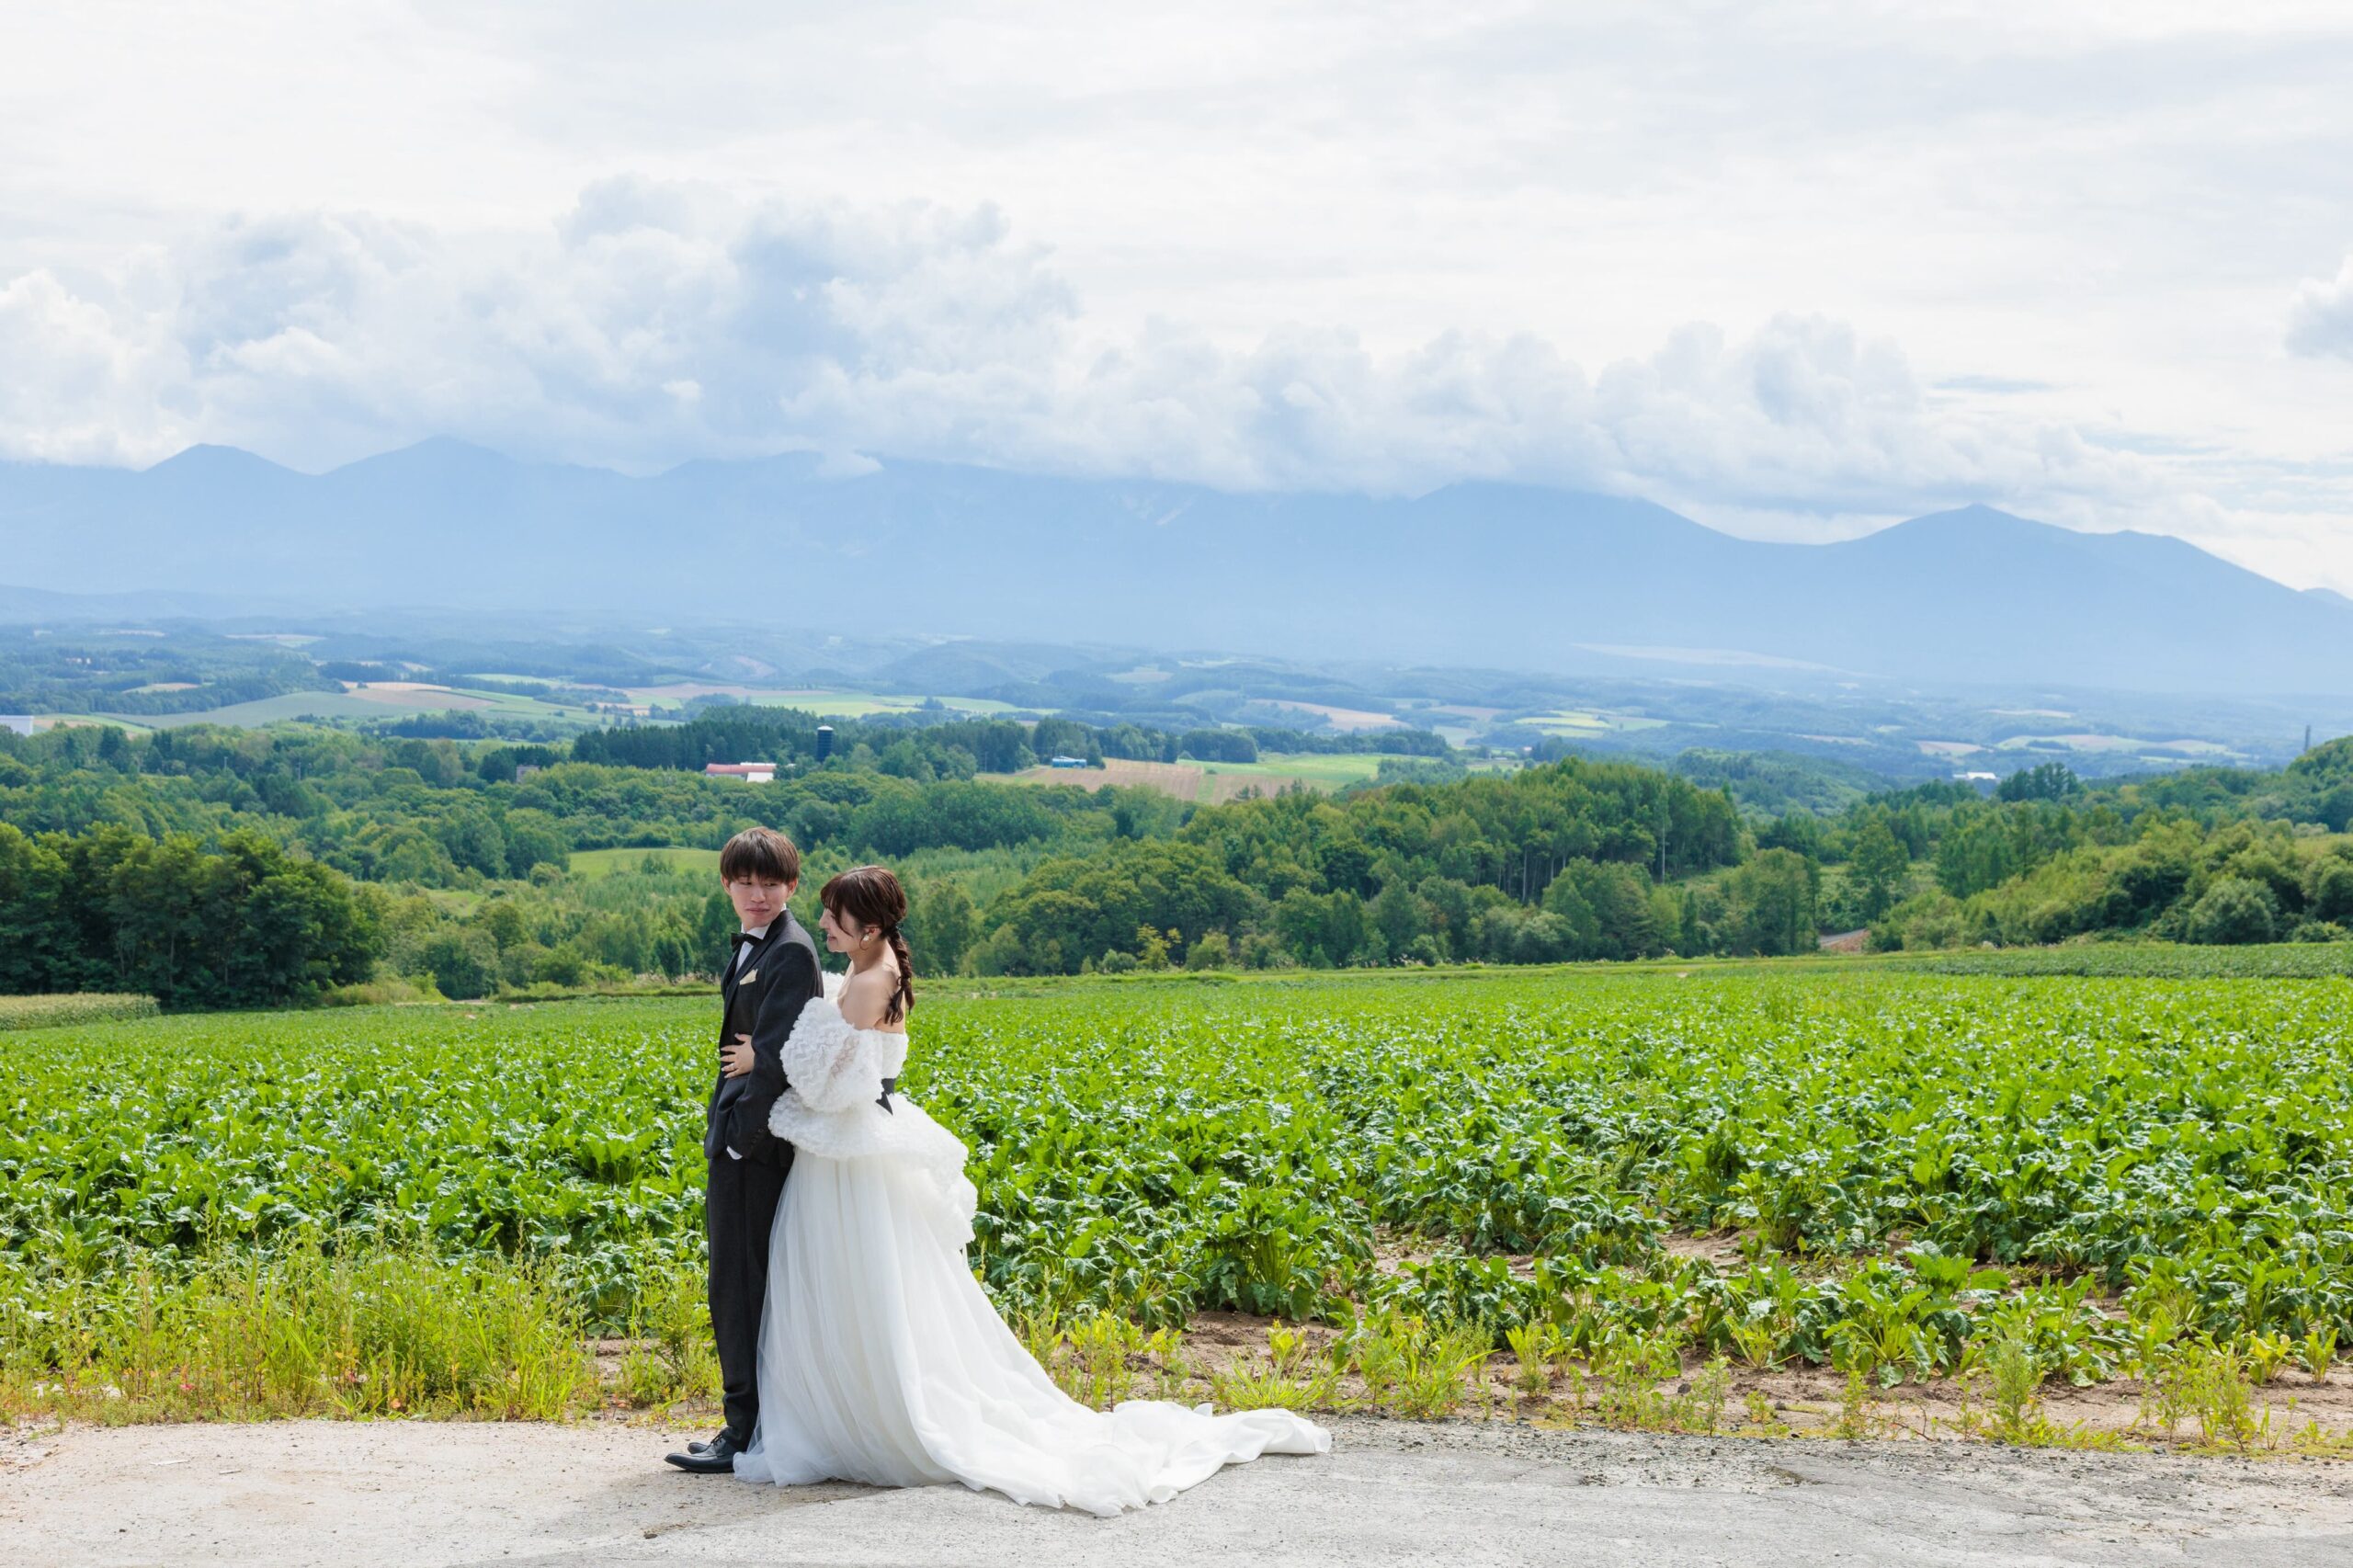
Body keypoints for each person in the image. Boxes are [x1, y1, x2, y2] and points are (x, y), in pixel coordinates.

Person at [729, 863, 1329, 1515]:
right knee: (871, 1288)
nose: (822, 922)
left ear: (867, 926)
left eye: (833, 913)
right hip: (855, 1150)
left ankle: (864, 1416)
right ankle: (852, 1409)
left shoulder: (873, 981)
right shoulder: (874, 969)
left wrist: (765, 1057)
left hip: (851, 1159)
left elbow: (826, 1082)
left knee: (857, 1286)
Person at [665, 827, 824, 1475]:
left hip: (756, 1148)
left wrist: (738, 1143)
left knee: (740, 1286)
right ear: (726, 884)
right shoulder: (759, 946)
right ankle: (748, 1424)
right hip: (740, 1139)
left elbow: (781, 1058)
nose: (758, 894)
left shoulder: (791, 952)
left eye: (771, 883)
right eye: (746, 882)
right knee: (737, 1283)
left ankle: (744, 1431)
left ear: (792, 886)